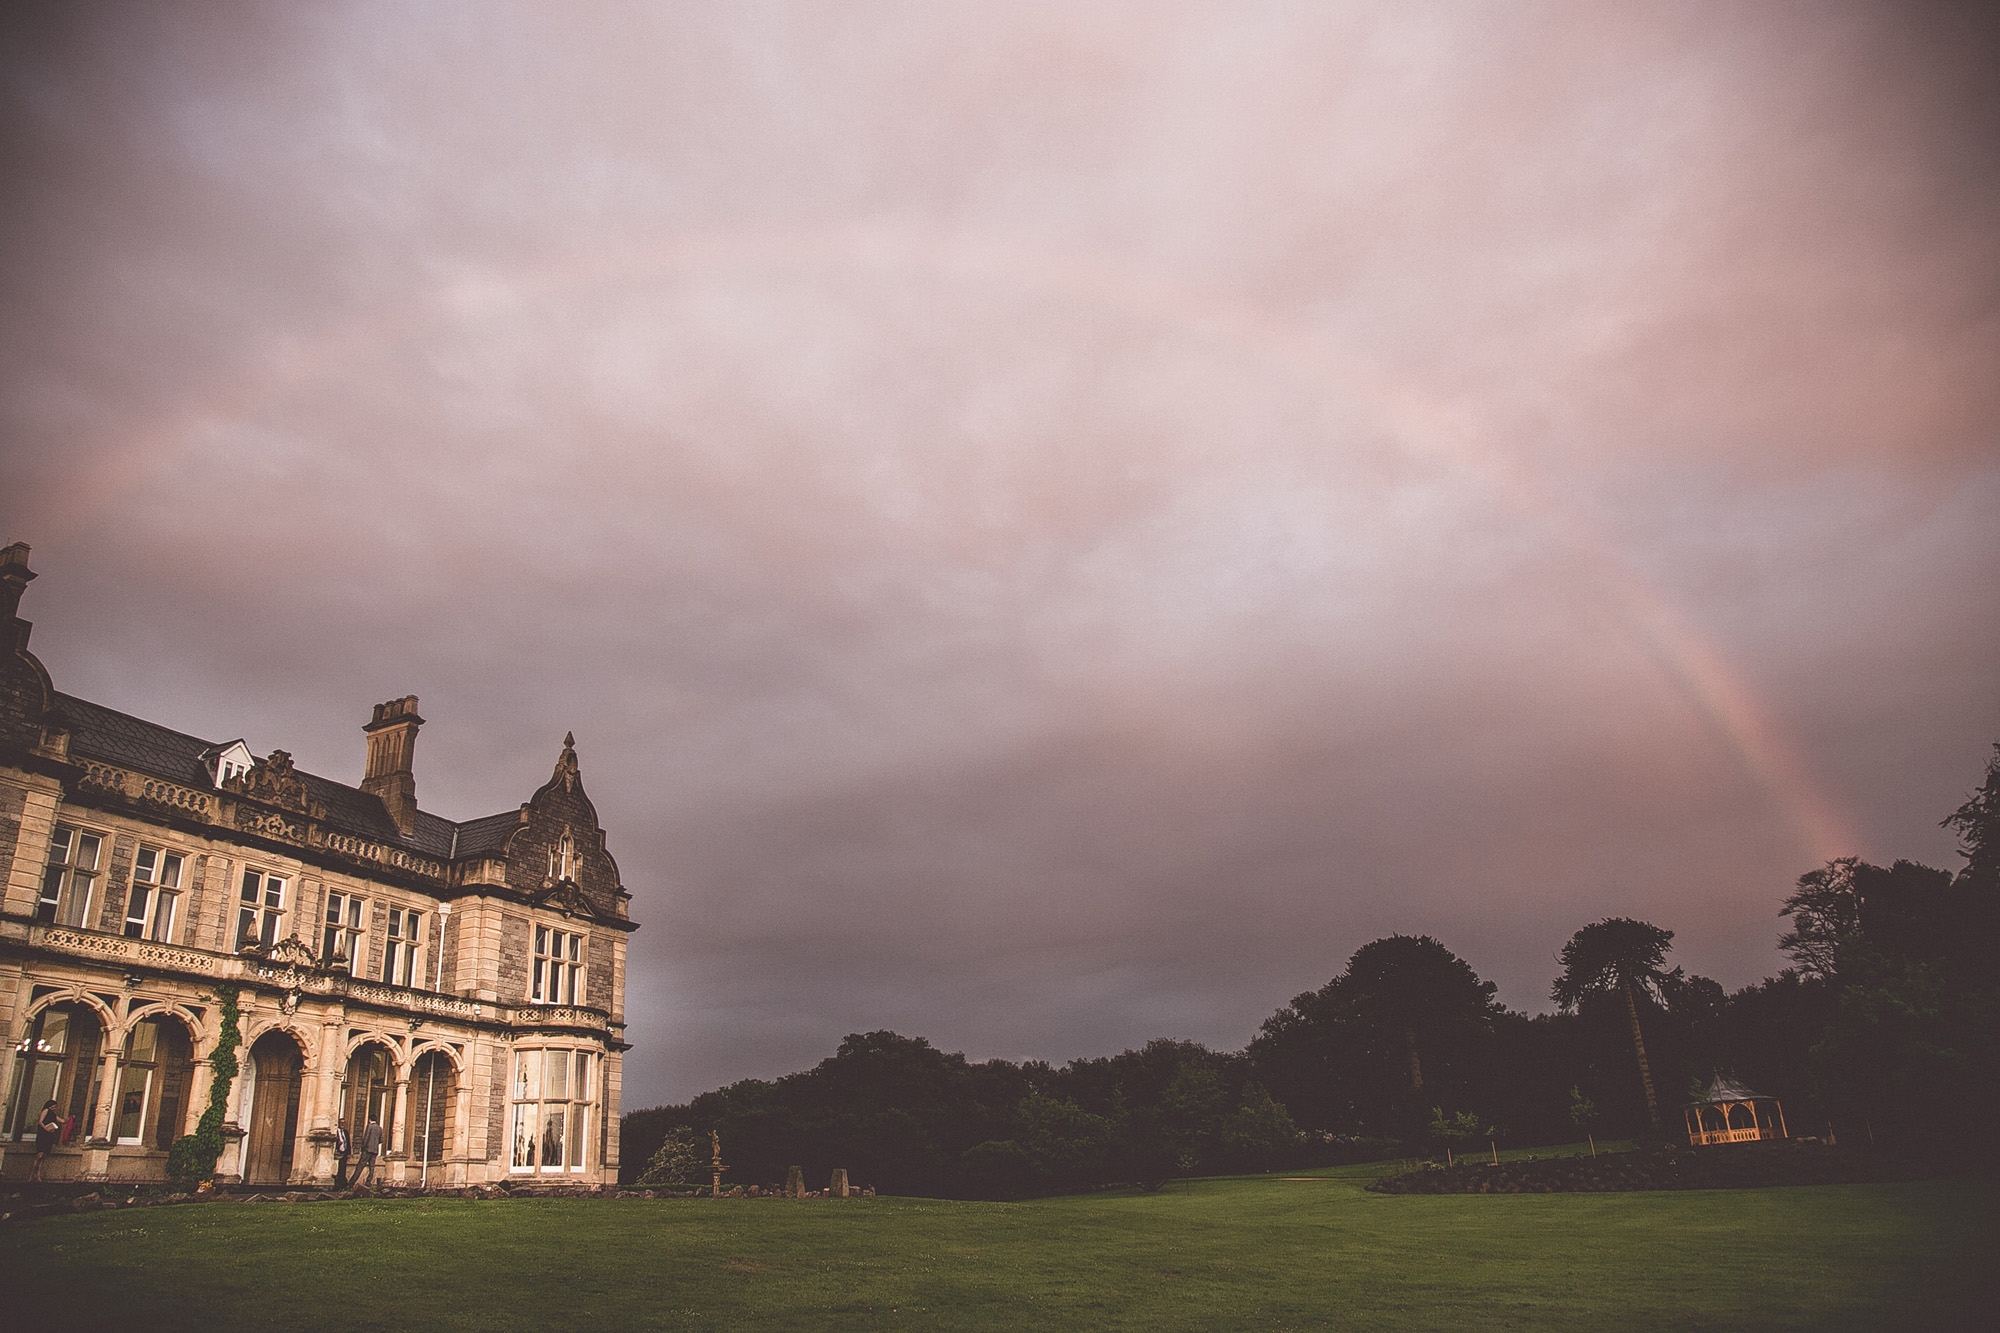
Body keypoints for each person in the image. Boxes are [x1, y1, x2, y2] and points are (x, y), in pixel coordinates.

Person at [31, 1100, 61, 1182]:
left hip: (48, 1136)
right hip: (42, 1135)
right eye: (53, 1107)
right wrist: (46, 1129)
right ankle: (32, 1174)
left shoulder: (53, 1114)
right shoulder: (46, 1111)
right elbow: (40, 1122)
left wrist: (69, 1119)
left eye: (55, 1107)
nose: (54, 1108)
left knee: (43, 1156)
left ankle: (38, 1175)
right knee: (39, 1155)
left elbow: (61, 1121)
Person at [354, 1114, 383, 1188]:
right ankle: (368, 1182)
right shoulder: (379, 1128)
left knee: (360, 1166)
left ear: (370, 1119)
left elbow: (366, 1138)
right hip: (375, 1150)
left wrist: (363, 1147)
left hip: (367, 1149)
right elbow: (381, 1140)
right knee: (371, 1167)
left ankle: (352, 1182)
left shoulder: (369, 1126)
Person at [334, 1117, 351, 1188]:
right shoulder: (336, 1132)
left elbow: (348, 1143)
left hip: (344, 1153)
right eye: (341, 1123)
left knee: (343, 1168)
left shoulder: (345, 1132)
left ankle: (342, 1184)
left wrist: (349, 1153)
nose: (342, 1124)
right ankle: (337, 1184)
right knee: (337, 1169)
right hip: (338, 1153)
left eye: (344, 1123)